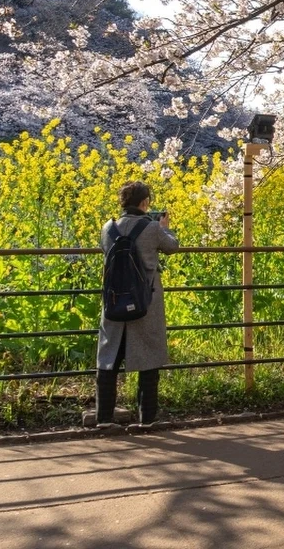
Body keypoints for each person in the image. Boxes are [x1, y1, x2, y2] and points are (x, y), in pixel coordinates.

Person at [95, 181, 180, 426]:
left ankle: (104, 418)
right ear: (145, 203)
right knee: (149, 358)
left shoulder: (107, 228)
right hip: (145, 302)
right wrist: (165, 229)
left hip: (113, 301)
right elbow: (172, 247)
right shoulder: (152, 228)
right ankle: (147, 419)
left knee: (109, 358)